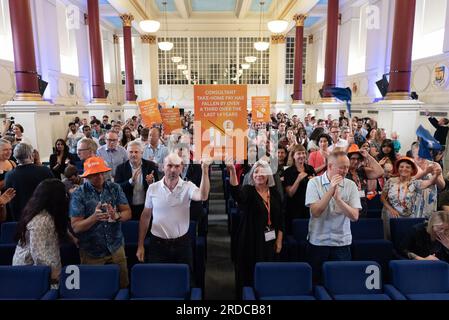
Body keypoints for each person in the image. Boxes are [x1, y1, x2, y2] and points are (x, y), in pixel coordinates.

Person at [136, 153, 210, 273]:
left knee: (184, 281)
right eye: (169, 166)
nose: (173, 170)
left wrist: (205, 170)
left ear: (181, 168)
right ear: (162, 167)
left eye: (176, 166)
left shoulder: (188, 186)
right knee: (157, 281)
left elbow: (203, 195)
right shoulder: (153, 188)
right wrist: (140, 245)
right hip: (157, 245)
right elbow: (145, 217)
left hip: (182, 244)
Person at [69, 157, 132, 288]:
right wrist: (93, 218)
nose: (100, 176)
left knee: (123, 286)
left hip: (116, 248)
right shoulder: (78, 194)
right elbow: (76, 227)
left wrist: (117, 216)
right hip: (92, 252)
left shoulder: (115, 188)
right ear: (87, 176)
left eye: (101, 172)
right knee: (96, 289)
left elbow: (127, 213)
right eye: (95, 174)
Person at [227, 160, 284, 292]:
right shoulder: (248, 190)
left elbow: (280, 218)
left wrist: (279, 240)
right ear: (252, 175)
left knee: (266, 271)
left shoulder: (275, 193)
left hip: (269, 240)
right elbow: (237, 195)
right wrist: (233, 171)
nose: (259, 174)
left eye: (263, 171)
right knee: (249, 271)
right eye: (256, 172)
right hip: (249, 238)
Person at [305, 151, 361, 282]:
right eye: (342, 167)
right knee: (316, 282)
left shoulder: (350, 185)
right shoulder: (314, 183)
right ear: (330, 166)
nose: (345, 170)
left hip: (341, 243)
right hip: (318, 242)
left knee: (341, 282)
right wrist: (331, 190)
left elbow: (354, 216)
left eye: (347, 167)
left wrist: (339, 201)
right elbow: (316, 212)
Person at [13, 179, 71, 284]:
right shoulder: (41, 221)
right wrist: (56, 276)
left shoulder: (46, 213)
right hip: (31, 274)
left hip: (42, 270)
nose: (66, 197)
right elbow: (39, 256)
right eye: (64, 194)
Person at [381, 157, 440, 238]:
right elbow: (383, 198)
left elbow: (429, 182)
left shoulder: (415, 182)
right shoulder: (391, 181)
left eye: (407, 167)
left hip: (409, 216)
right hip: (391, 214)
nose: (404, 169)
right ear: (398, 169)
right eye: (401, 167)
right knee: (391, 237)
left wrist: (436, 174)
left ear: (412, 170)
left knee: (407, 238)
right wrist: (391, 210)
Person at [5, 143, 54, 221]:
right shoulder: (45, 171)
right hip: (43, 216)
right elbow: (54, 193)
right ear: (31, 155)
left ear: (15, 156)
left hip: (21, 218)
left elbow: (10, 201)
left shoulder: (9, 175)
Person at [115, 141, 159, 220]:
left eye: (136, 152)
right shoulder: (120, 168)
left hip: (146, 206)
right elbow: (116, 188)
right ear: (127, 153)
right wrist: (130, 182)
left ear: (141, 153)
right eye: (131, 152)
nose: (133, 154)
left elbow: (158, 186)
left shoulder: (150, 166)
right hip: (127, 207)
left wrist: (151, 183)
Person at [283, 145, 316, 231]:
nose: (302, 156)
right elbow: (290, 193)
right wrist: (298, 179)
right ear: (293, 156)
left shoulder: (311, 169)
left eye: (303, 153)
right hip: (294, 209)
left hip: (309, 208)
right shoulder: (288, 172)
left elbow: (317, 190)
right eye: (298, 153)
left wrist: (314, 182)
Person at [346, 144, 384, 217]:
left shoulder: (361, 171)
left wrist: (368, 156)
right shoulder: (343, 173)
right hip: (348, 209)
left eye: (358, 159)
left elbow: (380, 172)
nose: (356, 161)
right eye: (353, 158)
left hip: (362, 208)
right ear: (348, 159)